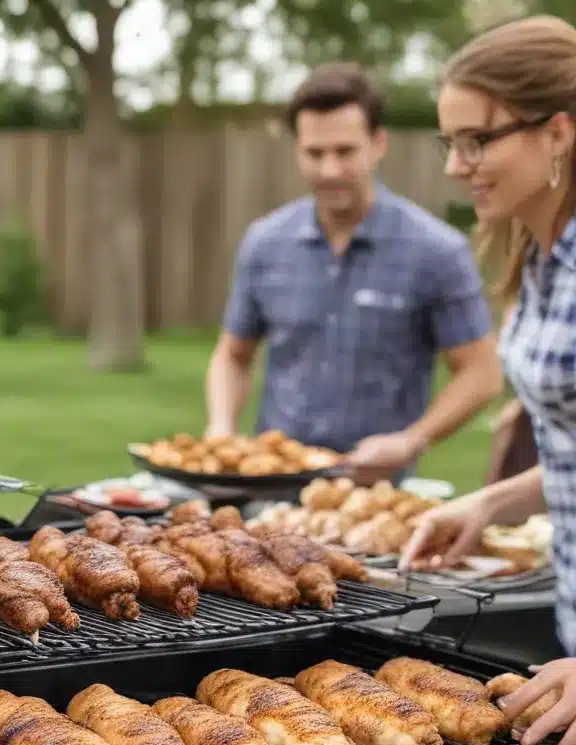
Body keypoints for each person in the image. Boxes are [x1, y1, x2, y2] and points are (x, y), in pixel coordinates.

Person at [399, 16, 576, 745]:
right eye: (449, 141)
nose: (458, 163)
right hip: (563, 629)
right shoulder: (540, 252)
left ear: (558, 132)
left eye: (479, 139)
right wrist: (495, 498)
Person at [205, 62, 502, 484]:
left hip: (376, 494)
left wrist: (412, 440)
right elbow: (232, 356)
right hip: (271, 489)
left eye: (344, 152)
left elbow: (482, 373)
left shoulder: (437, 251)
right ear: (297, 150)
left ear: (378, 144)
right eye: (315, 153)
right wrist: (221, 430)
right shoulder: (265, 243)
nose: (329, 170)